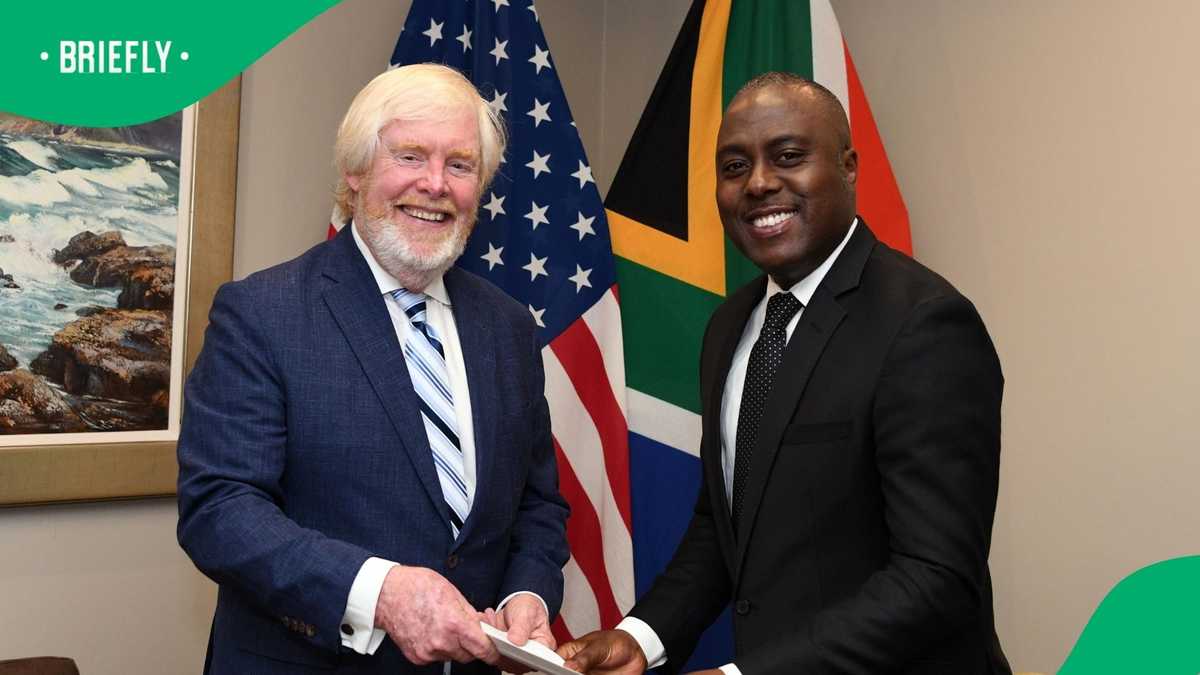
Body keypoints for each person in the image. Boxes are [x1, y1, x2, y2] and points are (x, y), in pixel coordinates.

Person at [558, 72, 1010, 674]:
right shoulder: (730, 327)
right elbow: (725, 529)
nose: (759, 183)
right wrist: (640, 638)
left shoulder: (925, 325)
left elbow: (936, 576)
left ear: (848, 166)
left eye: (789, 156)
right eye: (734, 166)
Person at [176, 63, 570, 674]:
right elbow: (220, 510)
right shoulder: (262, 313)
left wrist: (527, 596)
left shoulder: (509, 328)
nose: (435, 184)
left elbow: (537, 507)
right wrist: (380, 593)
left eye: (460, 165)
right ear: (355, 172)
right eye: (410, 157)